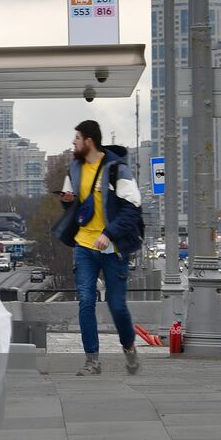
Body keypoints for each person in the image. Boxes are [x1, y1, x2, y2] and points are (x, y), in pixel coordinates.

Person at [57, 120, 143, 376]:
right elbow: (71, 204)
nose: (73, 142)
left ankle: (129, 348)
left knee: (117, 305)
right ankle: (92, 360)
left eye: (77, 138)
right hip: (84, 245)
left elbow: (132, 208)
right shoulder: (74, 168)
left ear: (89, 141)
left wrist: (109, 233)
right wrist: (66, 201)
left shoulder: (117, 169)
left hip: (112, 248)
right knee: (86, 301)